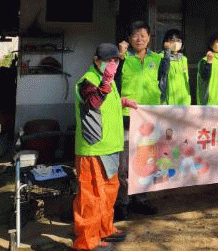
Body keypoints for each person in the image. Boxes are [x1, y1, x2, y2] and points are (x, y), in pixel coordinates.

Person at [72, 43, 138, 251]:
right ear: (96, 60)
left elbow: (105, 104)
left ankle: (104, 229)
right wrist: (107, 81)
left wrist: (122, 102)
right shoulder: (87, 80)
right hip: (93, 149)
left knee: (109, 192)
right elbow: (93, 103)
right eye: (108, 60)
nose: (113, 63)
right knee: (90, 197)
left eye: (115, 60)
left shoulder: (108, 81)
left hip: (110, 147)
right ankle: (87, 242)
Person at [114, 21, 162, 220]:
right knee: (124, 164)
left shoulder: (157, 58)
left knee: (145, 160)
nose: (139, 39)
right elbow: (113, 81)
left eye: (143, 35)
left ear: (149, 37)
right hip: (126, 115)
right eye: (135, 35)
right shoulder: (121, 58)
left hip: (149, 116)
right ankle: (122, 203)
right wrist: (120, 56)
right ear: (128, 39)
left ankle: (141, 200)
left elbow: (164, 84)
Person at [158, 29, 191, 106]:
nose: (175, 43)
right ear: (166, 42)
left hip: (183, 101)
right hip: (167, 100)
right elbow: (162, 73)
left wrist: (188, 98)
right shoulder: (160, 57)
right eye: (172, 40)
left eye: (178, 41)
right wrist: (167, 52)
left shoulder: (183, 59)